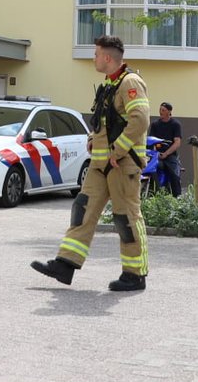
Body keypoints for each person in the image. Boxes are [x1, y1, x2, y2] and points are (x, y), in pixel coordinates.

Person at [32, 35, 152, 292]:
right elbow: (105, 121)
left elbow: (140, 120)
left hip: (122, 164)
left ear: (107, 58)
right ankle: (65, 264)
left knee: (126, 218)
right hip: (101, 164)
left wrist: (117, 150)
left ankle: (135, 274)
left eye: (96, 54)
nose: (94, 58)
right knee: (82, 209)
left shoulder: (130, 82)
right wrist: (92, 139)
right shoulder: (110, 83)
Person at [148, 101, 184, 198]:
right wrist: (154, 152)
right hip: (156, 154)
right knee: (149, 170)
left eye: (163, 110)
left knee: (174, 174)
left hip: (170, 155)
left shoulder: (176, 124)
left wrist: (166, 153)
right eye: (160, 109)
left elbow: (177, 142)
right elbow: (151, 140)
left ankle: (177, 197)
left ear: (169, 112)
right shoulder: (155, 124)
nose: (161, 112)